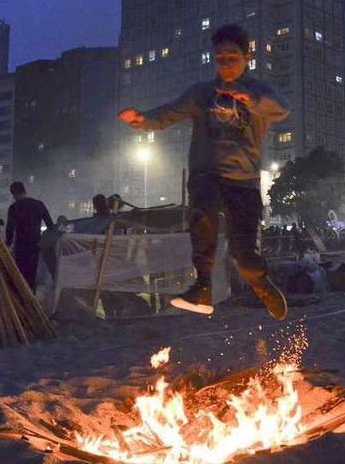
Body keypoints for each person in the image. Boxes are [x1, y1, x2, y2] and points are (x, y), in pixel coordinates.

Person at [118, 23, 289, 319]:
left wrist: (248, 98)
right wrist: (141, 119)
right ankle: (203, 286)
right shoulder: (202, 93)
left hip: (243, 179)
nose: (225, 64)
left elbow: (280, 109)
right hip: (206, 172)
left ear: (246, 57)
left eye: (232, 57)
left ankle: (259, 281)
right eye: (220, 58)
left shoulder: (258, 89)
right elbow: (168, 113)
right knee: (203, 220)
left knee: (244, 254)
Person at [5, 182, 54, 291]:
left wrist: (7, 245)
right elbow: (50, 225)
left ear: (13, 194)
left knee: (20, 275)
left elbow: (10, 230)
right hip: (35, 246)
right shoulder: (39, 204)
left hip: (20, 247)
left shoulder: (14, 207)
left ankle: (21, 300)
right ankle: (32, 299)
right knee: (32, 274)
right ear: (24, 190)